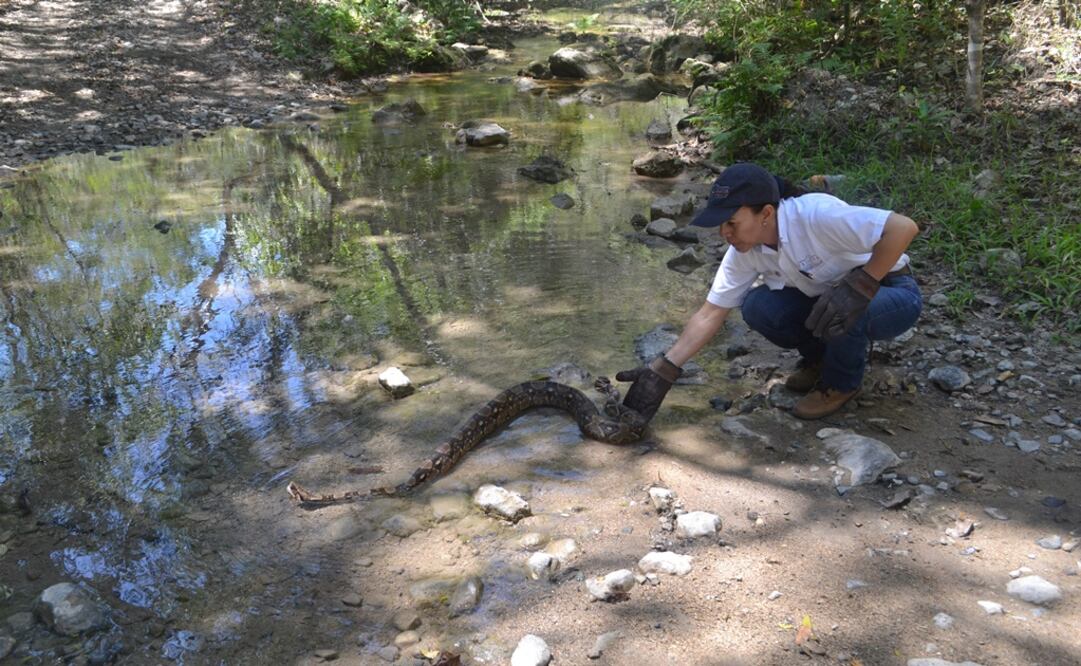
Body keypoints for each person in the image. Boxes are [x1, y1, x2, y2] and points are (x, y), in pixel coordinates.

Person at [617, 162, 922, 420]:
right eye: (721, 225)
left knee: (848, 308)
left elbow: (903, 228)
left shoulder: (815, 215)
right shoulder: (745, 250)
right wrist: (664, 368)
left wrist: (862, 284)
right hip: (832, 298)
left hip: (892, 291)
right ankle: (821, 361)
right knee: (758, 307)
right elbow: (711, 312)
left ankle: (841, 383)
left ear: (765, 213)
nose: (724, 234)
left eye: (731, 223)